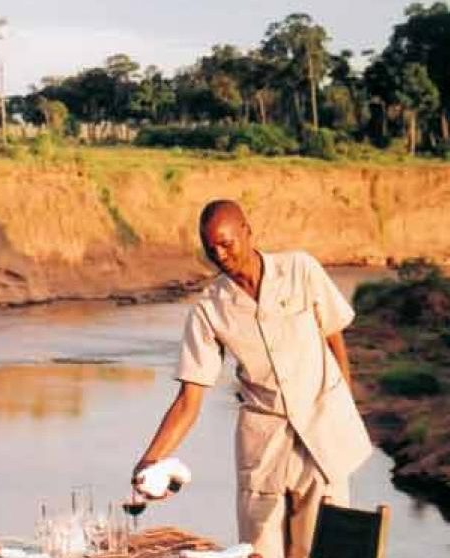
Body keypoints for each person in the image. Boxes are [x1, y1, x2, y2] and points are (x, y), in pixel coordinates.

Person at [131, 200, 372, 558]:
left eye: (226, 243)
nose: (220, 254)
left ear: (247, 231)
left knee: (321, 549)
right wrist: (148, 462)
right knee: (256, 552)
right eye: (210, 247)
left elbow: (334, 338)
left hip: (322, 439)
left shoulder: (300, 269)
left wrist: (342, 408)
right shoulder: (209, 309)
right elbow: (189, 400)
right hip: (263, 446)